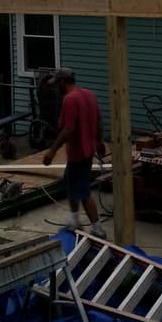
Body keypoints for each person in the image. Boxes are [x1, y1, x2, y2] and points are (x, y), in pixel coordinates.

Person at [42, 67, 107, 237]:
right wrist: (99, 142)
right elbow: (99, 121)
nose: (57, 88)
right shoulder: (89, 94)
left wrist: (52, 151)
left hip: (78, 153)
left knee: (83, 192)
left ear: (63, 82)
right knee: (70, 182)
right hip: (87, 151)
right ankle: (74, 220)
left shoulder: (69, 100)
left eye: (57, 84)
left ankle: (98, 229)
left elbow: (68, 129)